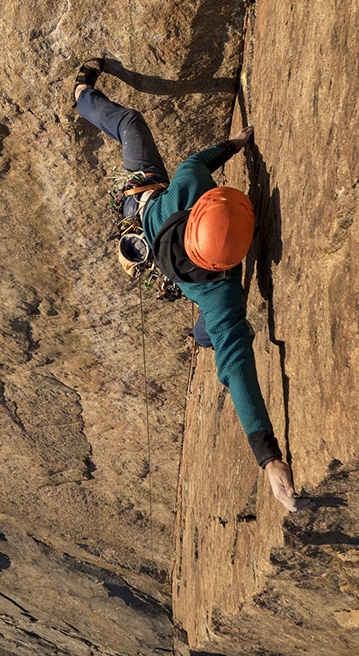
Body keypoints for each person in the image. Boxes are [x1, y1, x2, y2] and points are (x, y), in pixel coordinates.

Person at [73, 57, 314, 513]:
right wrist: (267, 458)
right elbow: (237, 369)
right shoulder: (220, 295)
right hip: (147, 219)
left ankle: (86, 98)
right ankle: (82, 95)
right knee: (217, 333)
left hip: (146, 212)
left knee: (130, 123)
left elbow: (198, 160)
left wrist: (235, 144)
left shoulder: (188, 190)